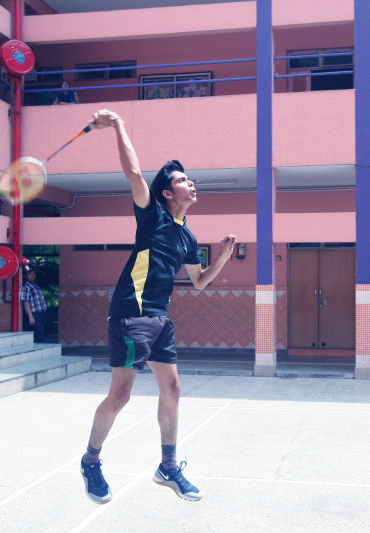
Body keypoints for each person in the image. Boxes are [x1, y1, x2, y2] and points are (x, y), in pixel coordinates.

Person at [79, 109, 236, 504]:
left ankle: (168, 467)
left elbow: (199, 281)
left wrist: (222, 257)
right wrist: (118, 125)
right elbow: (133, 173)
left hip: (160, 318)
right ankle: (91, 461)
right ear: (167, 192)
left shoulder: (188, 238)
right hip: (131, 313)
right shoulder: (152, 215)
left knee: (173, 388)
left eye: (190, 179)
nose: (191, 183)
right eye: (182, 180)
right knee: (121, 396)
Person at [20, 265, 47, 343]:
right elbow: (25, 301)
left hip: (41, 314)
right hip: (35, 315)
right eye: (29, 274)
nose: (32, 276)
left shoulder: (35, 285)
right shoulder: (26, 286)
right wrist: (30, 317)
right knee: (39, 333)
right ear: (25, 276)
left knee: (42, 333)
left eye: (33, 274)